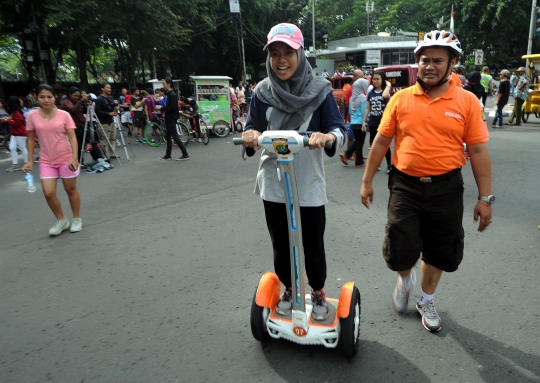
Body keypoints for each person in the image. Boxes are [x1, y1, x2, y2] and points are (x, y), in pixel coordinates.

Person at [360, 30, 493, 333]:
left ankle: (425, 299)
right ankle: (406, 280)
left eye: (437, 60)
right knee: (400, 244)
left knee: (441, 248)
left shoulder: (468, 101)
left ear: (452, 63)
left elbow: (478, 150)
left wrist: (485, 199)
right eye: (423, 60)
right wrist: (367, 180)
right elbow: (381, 141)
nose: (428, 65)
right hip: (405, 185)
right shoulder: (401, 99)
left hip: (447, 187)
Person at [241, 23, 345, 321]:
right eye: (275, 53)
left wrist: (327, 138)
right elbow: (252, 126)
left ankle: (319, 291)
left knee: (312, 242)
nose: (281, 59)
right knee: (281, 244)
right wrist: (250, 135)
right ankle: (287, 287)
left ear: (300, 54)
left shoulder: (320, 91)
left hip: (308, 183)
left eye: (288, 52)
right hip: (274, 183)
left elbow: (339, 129)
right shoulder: (261, 92)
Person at [21, 84, 83, 235]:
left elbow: (72, 138)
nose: (46, 100)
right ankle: (61, 220)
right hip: (46, 160)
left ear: (54, 98)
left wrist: (75, 158)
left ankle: (76, 218)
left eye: (49, 97)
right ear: (36, 98)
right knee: (48, 193)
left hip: (66, 158)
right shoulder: (32, 116)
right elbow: (30, 139)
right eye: (42, 97)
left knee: (70, 189)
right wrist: (29, 160)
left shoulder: (64, 115)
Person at [362, 71, 392, 173]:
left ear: (383, 80)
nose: (375, 81)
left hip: (383, 123)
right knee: (373, 145)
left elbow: (384, 96)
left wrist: (388, 85)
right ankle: (377, 165)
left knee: (384, 145)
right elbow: (367, 108)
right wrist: (364, 121)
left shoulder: (386, 92)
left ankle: (389, 165)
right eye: (374, 79)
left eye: (377, 79)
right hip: (373, 122)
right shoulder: (371, 93)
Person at [340, 79, 369, 167]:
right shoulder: (363, 98)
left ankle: (347, 155)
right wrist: (366, 122)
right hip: (361, 123)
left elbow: (350, 111)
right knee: (360, 143)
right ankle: (359, 162)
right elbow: (365, 111)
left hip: (353, 122)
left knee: (357, 141)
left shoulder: (352, 98)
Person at [160, 77, 189, 161]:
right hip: (169, 118)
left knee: (175, 137)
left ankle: (185, 154)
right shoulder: (170, 94)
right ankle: (168, 155)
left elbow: (172, 107)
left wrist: (162, 108)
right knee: (168, 137)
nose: (163, 85)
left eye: (164, 84)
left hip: (171, 118)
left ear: (169, 84)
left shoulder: (172, 94)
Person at [61, 87, 88, 162]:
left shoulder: (76, 101)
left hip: (81, 125)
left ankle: (79, 161)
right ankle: (76, 161)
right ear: (70, 94)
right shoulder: (65, 102)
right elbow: (73, 109)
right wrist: (81, 101)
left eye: (78, 96)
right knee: (76, 145)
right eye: (75, 96)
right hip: (73, 126)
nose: (77, 97)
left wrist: (85, 103)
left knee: (81, 145)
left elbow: (82, 111)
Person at [1, 96, 28, 172]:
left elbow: (17, 123)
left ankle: (27, 163)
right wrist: (8, 119)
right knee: (12, 148)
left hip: (20, 133)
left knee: (22, 147)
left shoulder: (17, 112)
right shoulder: (15, 112)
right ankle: (15, 165)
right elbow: (15, 121)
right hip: (15, 133)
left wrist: (7, 120)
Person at [94, 83, 118, 157]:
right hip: (103, 122)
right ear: (102, 88)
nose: (110, 89)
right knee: (104, 140)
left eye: (110, 88)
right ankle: (103, 156)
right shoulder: (99, 99)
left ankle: (112, 153)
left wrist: (115, 109)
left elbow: (112, 107)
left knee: (113, 138)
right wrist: (108, 113)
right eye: (107, 88)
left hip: (111, 121)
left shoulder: (110, 98)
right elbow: (97, 111)